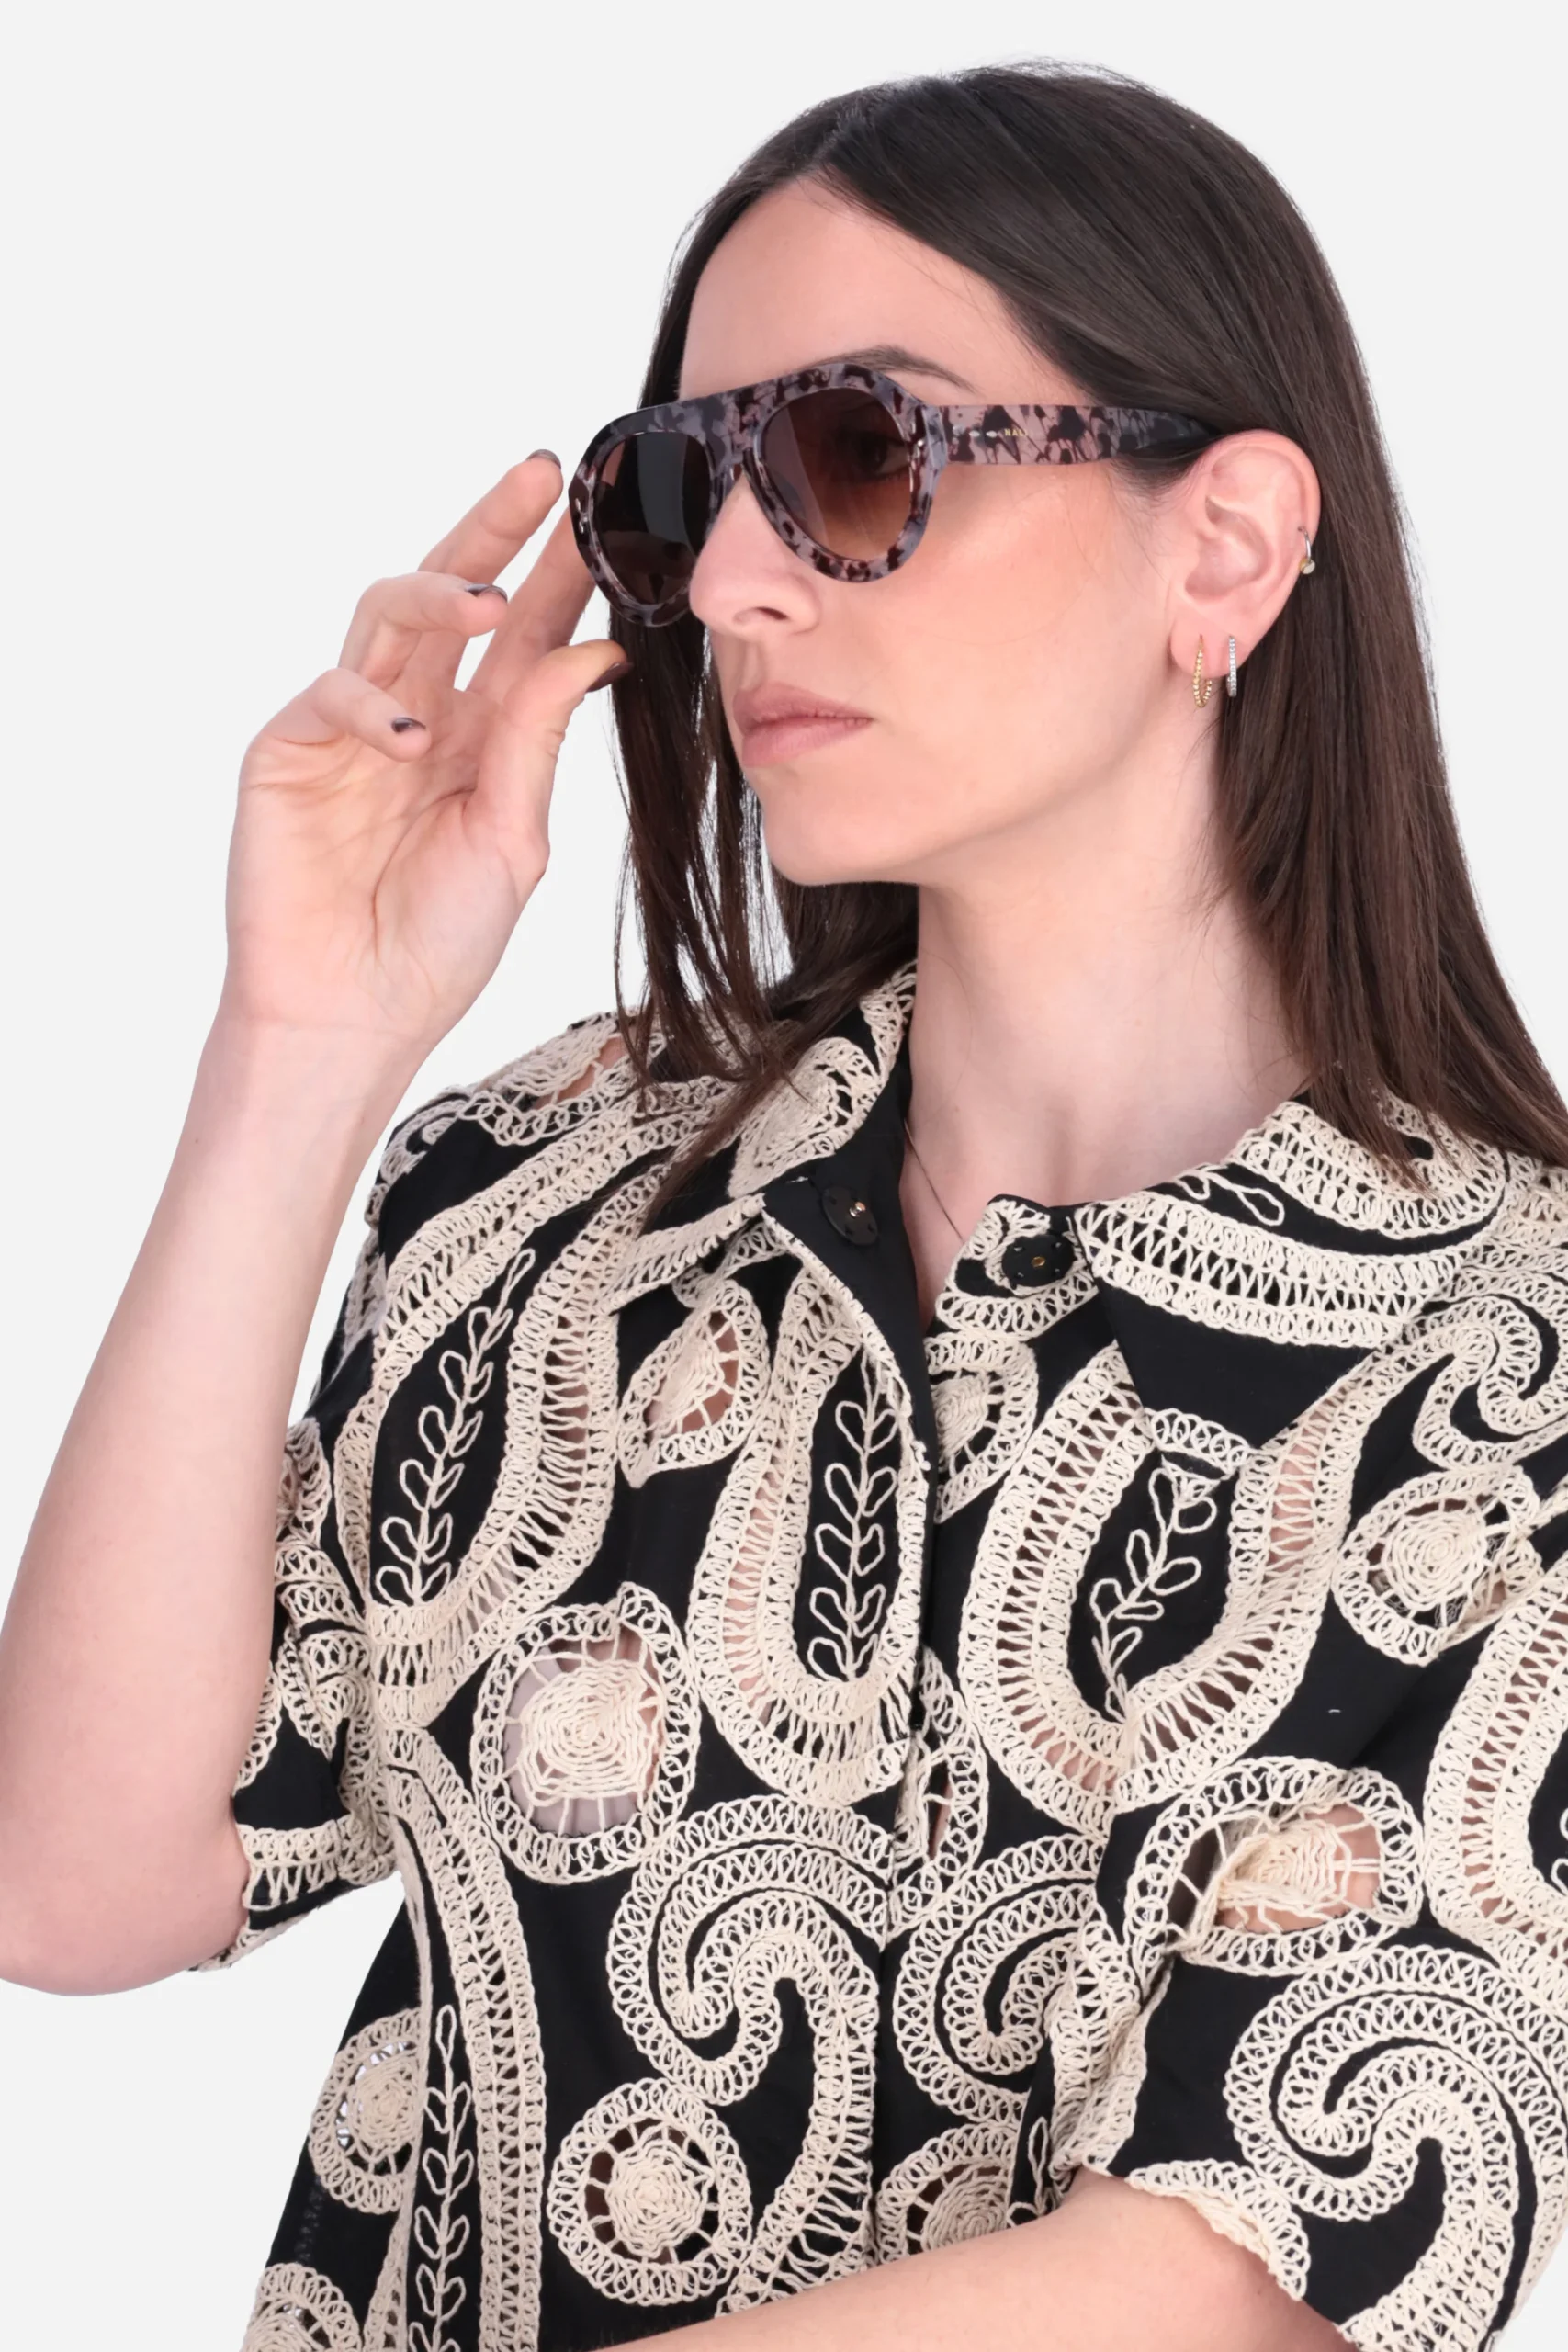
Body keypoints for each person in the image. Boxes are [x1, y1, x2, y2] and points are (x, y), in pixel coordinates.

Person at [3, 56, 1566, 2352]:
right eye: (681, 487)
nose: (732, 580)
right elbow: (75, 1873)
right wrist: (302, 1053)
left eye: (855, 455)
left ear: (1223, 545)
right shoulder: (549, 1195)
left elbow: (1218, 2283)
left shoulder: (1511, 1375)